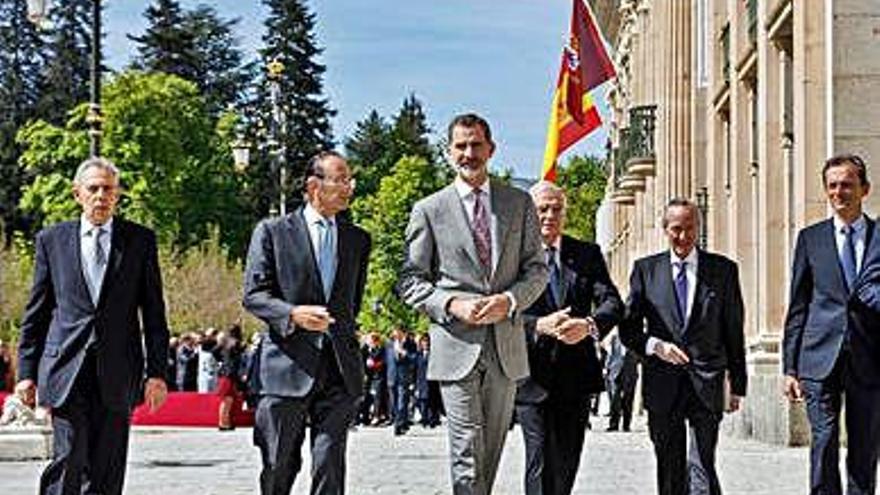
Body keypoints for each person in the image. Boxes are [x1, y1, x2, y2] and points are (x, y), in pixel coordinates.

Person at [397, 113, 547, 494]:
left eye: (476, 145)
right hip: (456, 344)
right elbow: (410, 282)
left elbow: (537, 270)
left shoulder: (519, 203)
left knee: (490, 450)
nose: (469, 153)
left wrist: (511, 300)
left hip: (505, 347)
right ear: (449, 152)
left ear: (491, 149)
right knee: (465, 449)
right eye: (460, 146)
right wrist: (451, 305)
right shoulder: (428, 210)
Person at [16, 157, 169, 495]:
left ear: (117, 195)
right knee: (68, 459)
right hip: (65, 369)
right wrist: (26, 372)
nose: (101, 195)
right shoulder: (51, 240)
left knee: (107, 467)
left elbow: (155, 315)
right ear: (77, 194)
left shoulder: (140, 241)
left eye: (109, 189)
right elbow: (37, 313)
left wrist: (157, 373)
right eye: (94, 188)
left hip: (118, 371)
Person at [243, 150, 370, 495]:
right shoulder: (272, 232)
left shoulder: (358, 239)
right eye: (341, 179)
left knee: (330, 463)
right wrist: (291, 315)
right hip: (286, 366)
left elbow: (351, 304)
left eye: (349, 179)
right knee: (279, 466)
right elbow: (254, 294)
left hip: (340, 370)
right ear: (314, 185)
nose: (349, 186)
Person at [619, 197, 746, 495]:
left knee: (702, 463)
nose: (683, 237)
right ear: (665, 229)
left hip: (707, 381)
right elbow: (629, 328)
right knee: (669, 466)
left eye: (690, 228)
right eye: (676, 229)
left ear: (698, 228)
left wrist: (738, 383)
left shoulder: (723, 271)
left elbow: (733, 329)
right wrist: (654, 346)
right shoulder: (645, 271)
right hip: (662, 384)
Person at [514, 181, 624, 495]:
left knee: (566, 460)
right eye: (542, 209)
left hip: (575, 376)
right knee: (538, 459)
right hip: (531, 376)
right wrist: (538, 326)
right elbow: (503, 314)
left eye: (556, 209)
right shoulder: (513, 257)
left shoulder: (586, 253)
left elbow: (613, 303)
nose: (549, 215)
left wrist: (588, 325)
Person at [783, 153, 880, 495]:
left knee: (865, 447)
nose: (840, 192)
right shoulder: (811, 239)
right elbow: (798, 306)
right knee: (822, 442)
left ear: (864, 189)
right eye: (833, 186)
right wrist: (790, 368)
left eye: (848, 185)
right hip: (818, 357)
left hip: (870, 358)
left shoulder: (879, 235)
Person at [605, 330, 639, 432]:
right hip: (616, 372)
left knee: (628, 399)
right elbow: (611, 354)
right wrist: (607, 367)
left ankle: (626, 425)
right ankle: (613, 424)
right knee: (615, 398)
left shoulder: (634, 340)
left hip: (630, 372)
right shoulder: (615, 338)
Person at [386, 327, 417, 435]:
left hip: (404, 377)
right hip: (391, 377)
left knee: (402, 402)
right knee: (394, 403)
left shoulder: (410, 344)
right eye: (394, 332)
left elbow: (415, 358)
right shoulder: (389, 344)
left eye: (398, 332)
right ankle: (401, 422)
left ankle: (398, 425)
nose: (395, 334)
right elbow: (387, 362)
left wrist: (405, 353)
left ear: (403, 333)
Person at [215, 324, 246, 431]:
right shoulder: (235, 343)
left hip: (225, 374)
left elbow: (214, 352)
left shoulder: (225, 342)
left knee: (227, 400)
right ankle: (223, 423)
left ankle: (225, 422)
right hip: (230, 374)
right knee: (227, 400)